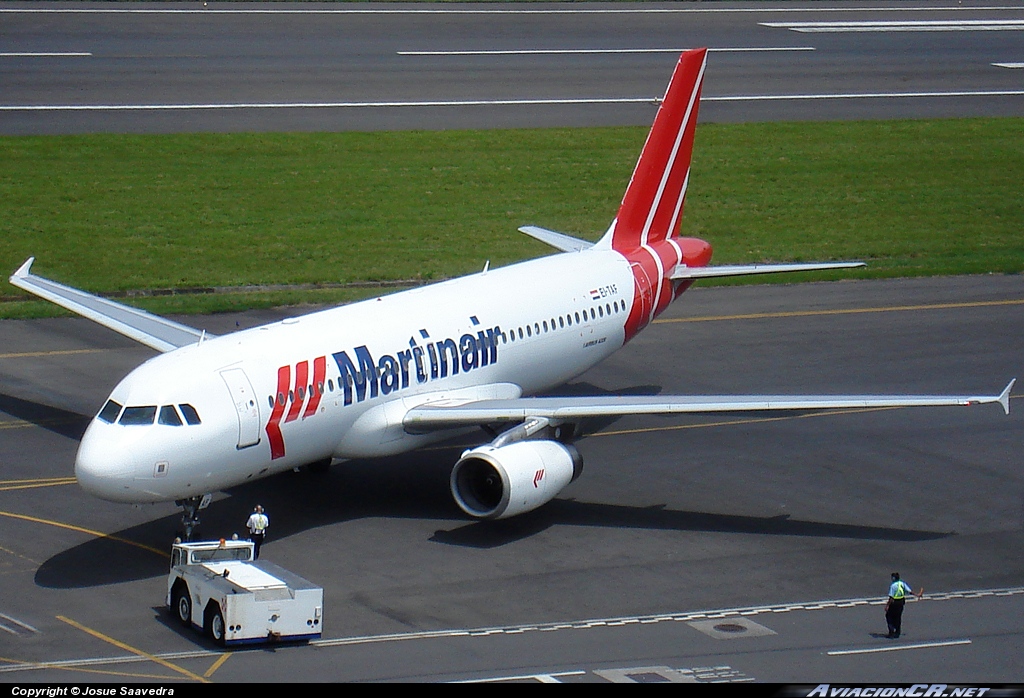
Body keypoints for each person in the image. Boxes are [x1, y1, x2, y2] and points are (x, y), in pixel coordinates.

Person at [885, 572, 923, 638]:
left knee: (889, 616)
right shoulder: (902, 583)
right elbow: (910, 591)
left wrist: (887, 605)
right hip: (901, 602)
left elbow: (891, 597)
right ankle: (897, 632)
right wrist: (917, 595)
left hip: (894, 603)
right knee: (898, 617)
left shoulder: (893, 586)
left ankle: (891, 632)